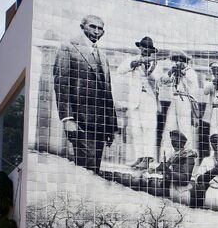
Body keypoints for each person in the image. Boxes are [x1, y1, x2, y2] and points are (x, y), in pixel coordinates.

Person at [53, 14, 118, 173]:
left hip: (101, 125)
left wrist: (111, 126)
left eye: (100, 28)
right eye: (92, 27)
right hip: (80, 122)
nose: (96, 31)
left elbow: (107, 93)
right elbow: (61, 84)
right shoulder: (68, 48)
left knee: (94, 169)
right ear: (82, 27)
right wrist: (67, 118)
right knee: (85, 169)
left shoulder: (103, 57)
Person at [116, 36, 162, 169]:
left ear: (151, 50)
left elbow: (158, 80)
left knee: (148, 129)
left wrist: (148, 68)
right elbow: (120, 70)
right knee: (136, 130)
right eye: (143, 47)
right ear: (140, 48)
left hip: (148, 99)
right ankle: (140, 157)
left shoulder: (155, 63)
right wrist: (134, 64)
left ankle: (148, 159)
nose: (145, 49)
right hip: (135, 99)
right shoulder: (132, 59)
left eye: (148, 48)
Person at [161, 50, 201, 159]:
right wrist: (171, 71)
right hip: (174, 100)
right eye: (176, 60)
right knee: (169, 128)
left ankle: (187, 155)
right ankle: (166, 157)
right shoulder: (174, 72)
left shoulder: (190, 72)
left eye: (180, 60)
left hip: (185, 101)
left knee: (185, 128)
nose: (177, 62)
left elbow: (188, 79)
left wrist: (180, 71)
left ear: (185, 61)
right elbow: (163, 80)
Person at [156, 130, 198, 205]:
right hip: (172, 189)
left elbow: (185, 179)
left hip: (182, 192)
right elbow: (161, 168)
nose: (174, 143)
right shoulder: (174, 155)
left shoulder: (188, 156)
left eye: (176, 141)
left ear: (182, 143)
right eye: (172, 141)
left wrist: (168, 171)